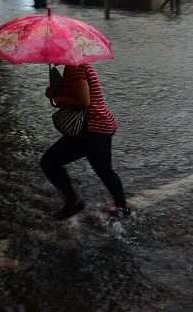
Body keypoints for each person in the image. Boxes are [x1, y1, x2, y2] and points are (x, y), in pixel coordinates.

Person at [41, 64, 129, 219]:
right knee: (104, 171)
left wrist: (57, 98)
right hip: (100, 127)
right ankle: (122, 208)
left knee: (49, 162)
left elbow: (83, 102)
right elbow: (73, 96)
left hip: (91, 128)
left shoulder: (76, 69)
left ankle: (73, 202)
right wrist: (54, 94)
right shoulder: (71, 68)